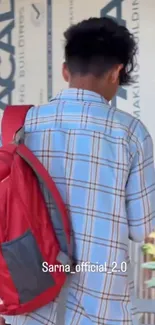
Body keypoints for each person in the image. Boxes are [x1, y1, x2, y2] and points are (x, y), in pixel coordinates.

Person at [2, 17, 155, 325]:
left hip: (30, 302)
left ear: (64, 70)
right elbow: (144, 229)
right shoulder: (130, 133)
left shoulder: (17, 127)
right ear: (117, 72)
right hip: (102, 307)